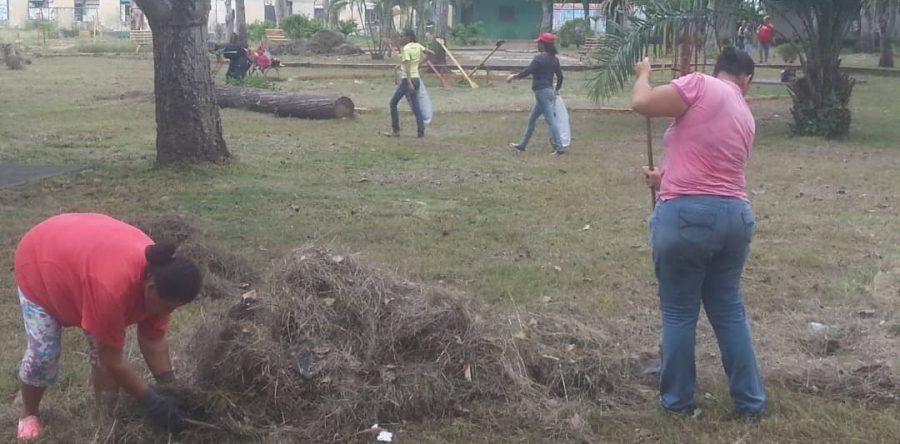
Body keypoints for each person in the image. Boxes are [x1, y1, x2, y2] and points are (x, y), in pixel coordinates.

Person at [631, 47, 766, 418]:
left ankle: (677, 402)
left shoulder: (701, 84)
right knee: (728, 311)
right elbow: (714, 169)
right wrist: (664, 178)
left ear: (719, 70)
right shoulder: (746, 114)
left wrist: (644, 72)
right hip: (735, 217)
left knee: (678, 313)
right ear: (747, 80)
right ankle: (750, 402)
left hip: (687, 217)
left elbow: (642, 103)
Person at [13, 213, 203, 440]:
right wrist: (152, 402)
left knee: (100, 355)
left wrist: (171, 387)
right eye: (169, 307)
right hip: (41, 260)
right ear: (150, 288)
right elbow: (112, 360)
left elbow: (153, 341)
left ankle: (106, 420)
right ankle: (29, 414)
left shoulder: (162, 280)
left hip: (85, 261)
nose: (169, 313)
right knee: (44, 354)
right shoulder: (112, 290)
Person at [506, 32, 565, 155]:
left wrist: (514, 76)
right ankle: (523, 144)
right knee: (532, 119)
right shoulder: (554, 59)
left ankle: (559, 148)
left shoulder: (539, 58)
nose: (537, 45)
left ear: (543, 45)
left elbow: (528, 71)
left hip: (541, 93)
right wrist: (557, 89)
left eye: (539, 43)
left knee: (550, 120)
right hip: (548, 92)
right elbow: (560, 76)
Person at [384, 29, 434, 138]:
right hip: (416, 79)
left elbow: (407, 66)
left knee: (393, 103)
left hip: (408, 80)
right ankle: (421, 132)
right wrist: (418, 65)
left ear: (408, 37)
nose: (401, 38)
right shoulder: (417, 46)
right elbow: (431, 53)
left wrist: (409, 82)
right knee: (416, 107)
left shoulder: (406, 49)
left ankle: (395, 130)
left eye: (402, 36)